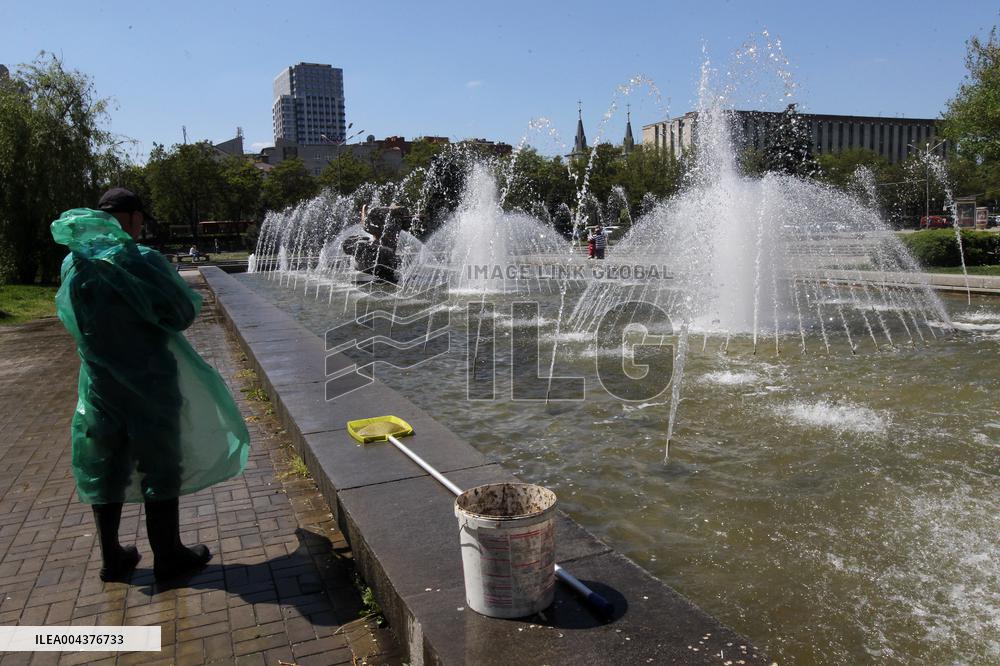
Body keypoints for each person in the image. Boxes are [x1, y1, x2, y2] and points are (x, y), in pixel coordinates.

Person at [50, 188, 250, 583]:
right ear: (133, 217)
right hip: (150, 380)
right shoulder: (141, 261)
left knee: (104, 464)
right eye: (140, 218)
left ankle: (112, 556)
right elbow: (181, 312)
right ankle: (168, 553)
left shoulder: (73, 263)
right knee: (159, 463)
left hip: (99, 385)